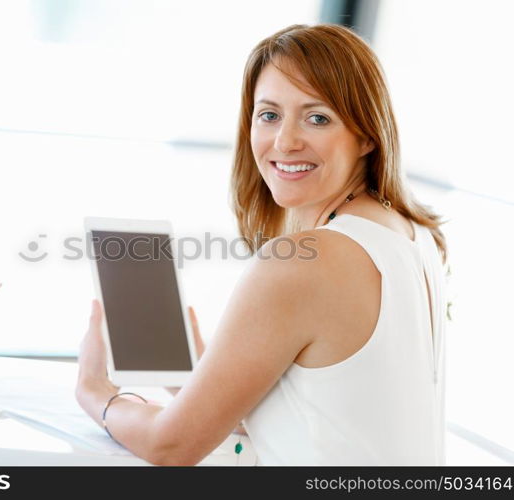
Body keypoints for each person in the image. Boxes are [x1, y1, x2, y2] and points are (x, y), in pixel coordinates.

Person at [75, 23, 449, 466]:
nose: (285, 141)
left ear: (367, 135)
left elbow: (169, 446)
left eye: (317, 118)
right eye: (269, 115)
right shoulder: (411, 235)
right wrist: (203, 375)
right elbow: (333, 415)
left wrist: (98, 396)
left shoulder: (306, 261)